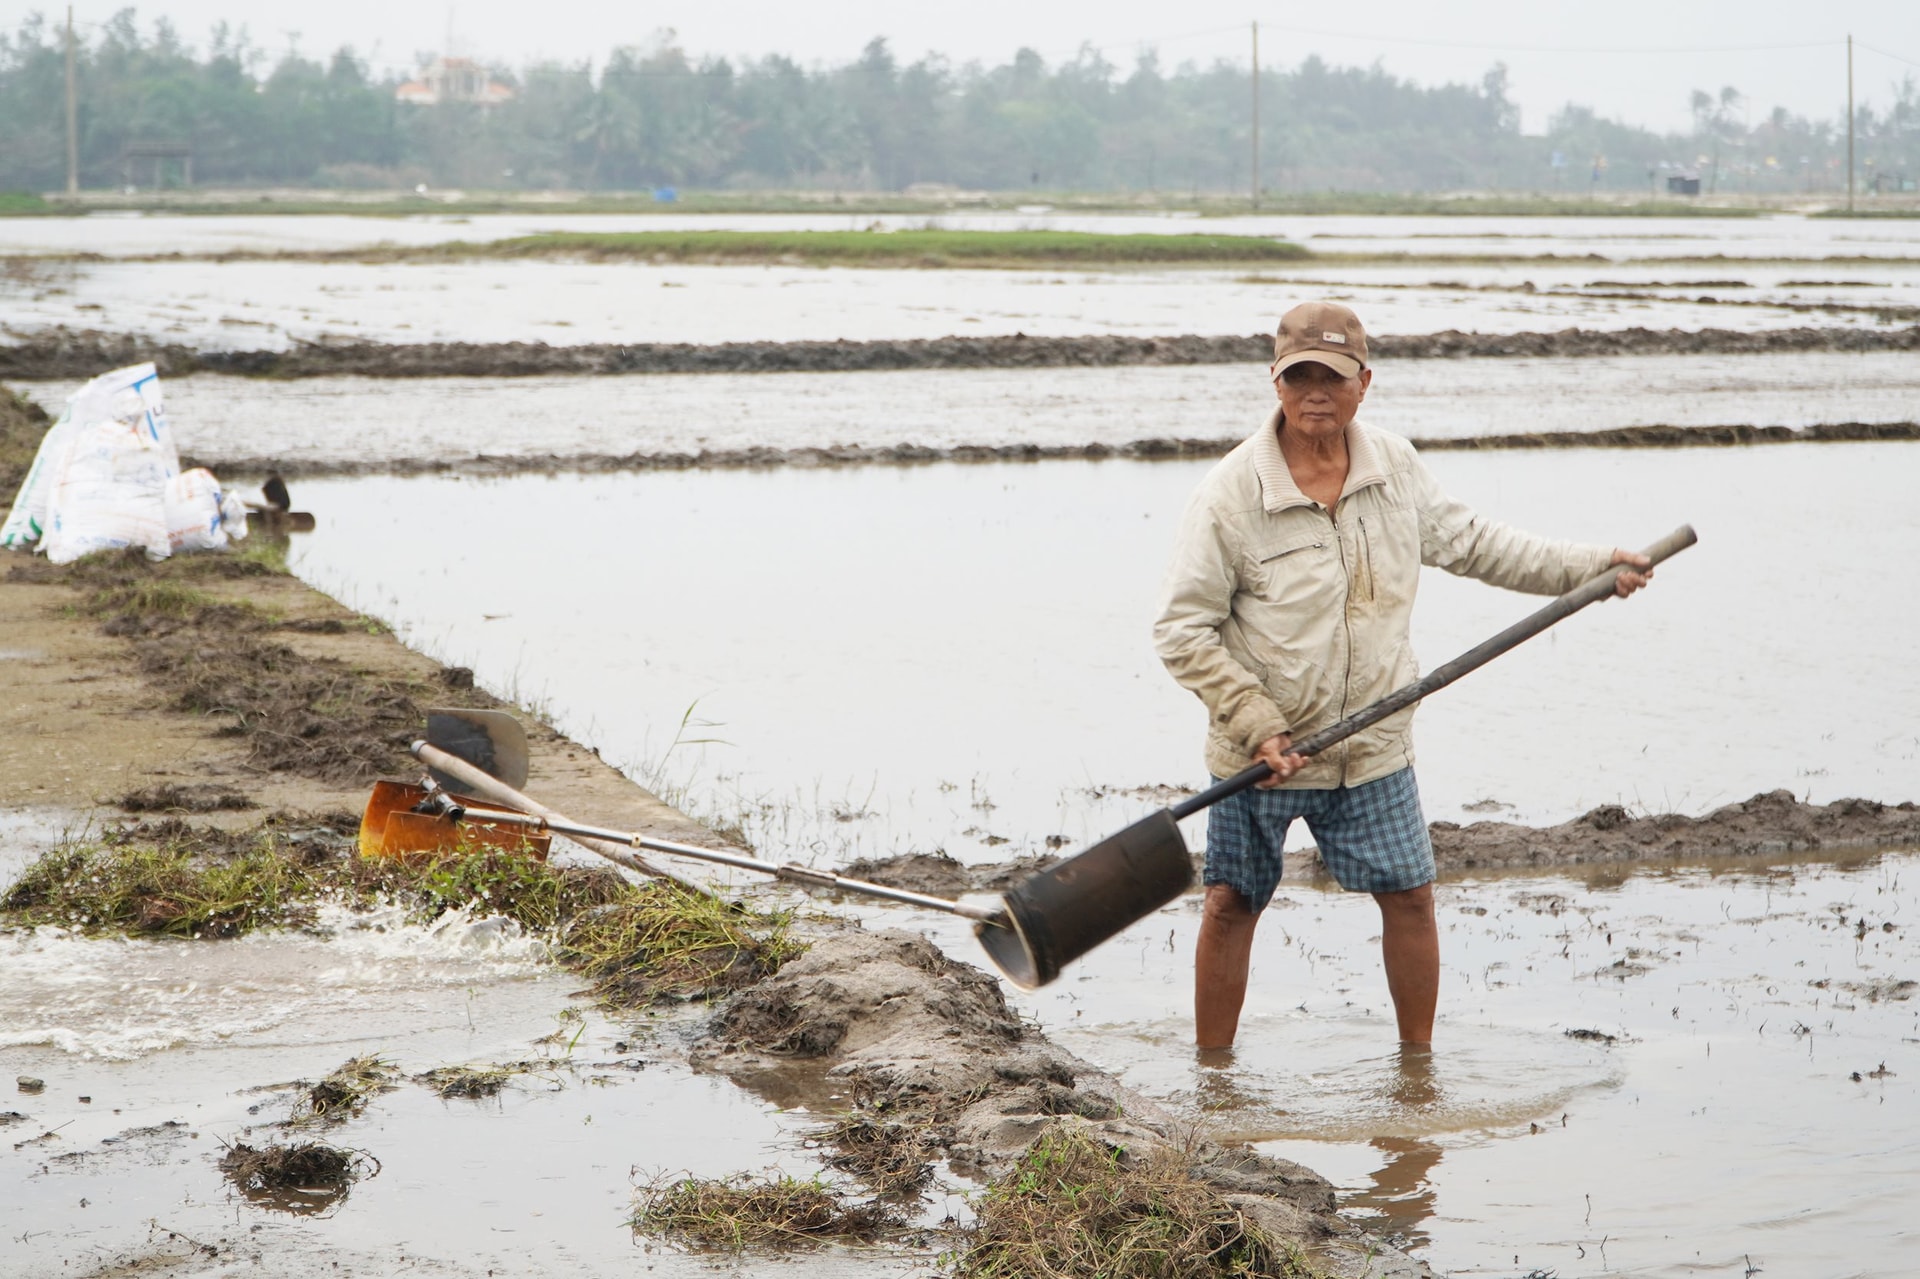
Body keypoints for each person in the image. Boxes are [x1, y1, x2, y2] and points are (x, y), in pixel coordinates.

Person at [1150, 300, 1651, 1052]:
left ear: (1364, 382)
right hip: (1261, 756)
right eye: (1301, 376)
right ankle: (1212, 1074)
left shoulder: (1393, 469)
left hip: (1373, 743)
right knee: (1231, 902)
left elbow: (1478, 543)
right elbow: (1181, 630)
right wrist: (1255, 720)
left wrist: (1590, 569)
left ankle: (1417, 1068)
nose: (1317, 391)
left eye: (1334, 375)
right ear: (1276, 383)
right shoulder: (1230, 496)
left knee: (1412, 896)